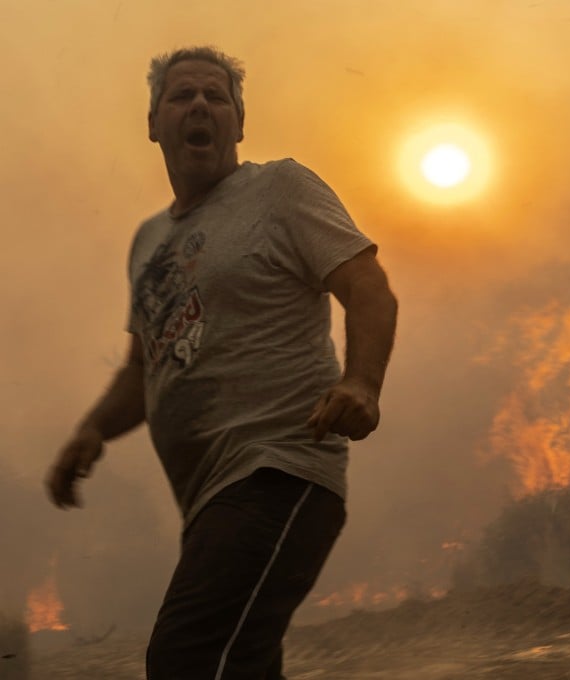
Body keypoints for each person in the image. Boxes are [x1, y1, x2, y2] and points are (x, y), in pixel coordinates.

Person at [45, 45, 398, 680]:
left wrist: (363, 381)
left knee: (187, 657)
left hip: (280, 469)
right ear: (153, 122)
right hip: (210, 500)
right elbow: (141, 369)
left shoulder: (280, 189)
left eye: (217, 96)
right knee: (242, 664)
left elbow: (367, 285)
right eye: (183, 96)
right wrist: (92, 429)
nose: (201, 106)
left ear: (240, 121)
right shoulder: (149, 241)